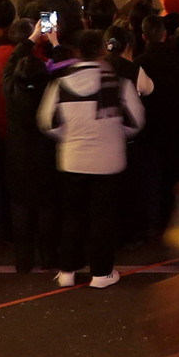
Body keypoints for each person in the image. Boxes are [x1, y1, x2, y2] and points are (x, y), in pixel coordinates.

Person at [36, 29, 144, 285]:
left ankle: (68, 271)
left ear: (75, 53)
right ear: (103, 51)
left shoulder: (61, 84)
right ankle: (101, 272)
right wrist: (114, 134)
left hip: (72, 160)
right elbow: (136, 121)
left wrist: (70, 137)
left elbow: (47, 122)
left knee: (72, 216)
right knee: (102, 218)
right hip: (108, 161)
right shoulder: (117, 83)